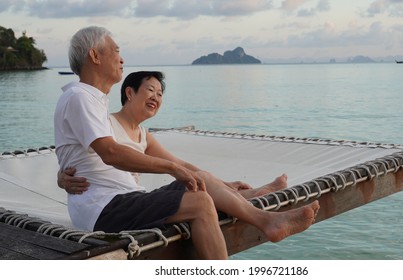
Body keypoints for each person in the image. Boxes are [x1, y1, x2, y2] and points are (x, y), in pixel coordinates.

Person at [54, 26, 320, 259]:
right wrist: (172, 170)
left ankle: (251, 205)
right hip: (105, 208)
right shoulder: (81, 96)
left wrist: (192, 174)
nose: (122, 59)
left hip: (122, 200)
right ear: (95, 55)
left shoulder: (92, 101)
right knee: (200, 202)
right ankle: (266, 222)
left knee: (198, 181)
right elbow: (111, 153)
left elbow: (75, 151)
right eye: (115, 50)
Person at [59, 71, 290, 200]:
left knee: (197, 181)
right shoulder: (105, 123)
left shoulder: (143, 135)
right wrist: (61, 178)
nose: (156, 97)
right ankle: (253, 196)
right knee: (195, 191)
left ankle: (244, 193)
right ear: (129, 93)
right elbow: (79, 152)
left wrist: (222, 182)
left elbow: (179, 163)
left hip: (133, 198)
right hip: (108, 204)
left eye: (160, 94)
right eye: (150, 90)